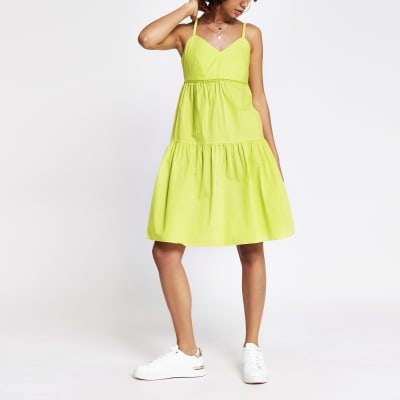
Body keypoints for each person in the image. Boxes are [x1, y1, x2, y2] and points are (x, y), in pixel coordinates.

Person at [133, 0, 295, 384]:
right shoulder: (185, 35)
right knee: (165, 251)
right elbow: (146, 38)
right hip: (194, 150)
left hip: (243, 149)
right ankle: (187, 352)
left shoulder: (251, 36)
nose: (246, 3)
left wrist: (272, 154)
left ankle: (252, 347)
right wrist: (189, 6)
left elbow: (258, 96)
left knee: (251, 247)